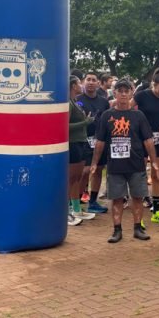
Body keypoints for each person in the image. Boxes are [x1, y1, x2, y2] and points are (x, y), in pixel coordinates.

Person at [90, 79, 156, 242]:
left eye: (127, 91)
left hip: (136, 163)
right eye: (120, 90)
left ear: (131, 92)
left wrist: (153, 161)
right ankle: (117, 230)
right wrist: (94, 162)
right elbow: (100, 141)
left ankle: (138, 228)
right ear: (115, 93)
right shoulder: (107, 115)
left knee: (138, 197)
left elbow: (148, 139)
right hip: (115, 165)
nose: (124, 94)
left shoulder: (138, 115)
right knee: (117, 198)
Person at [134, 71, 159, 224]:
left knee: (158, 173)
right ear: (154, 85)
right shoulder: (142, 96)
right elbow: (129, 111)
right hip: (141, 138)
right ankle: (139, 212)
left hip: (158, 139)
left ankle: (156, 210)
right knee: (140, 173)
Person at [77, 73, 111, 214]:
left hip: (100, 140)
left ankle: (93, 202)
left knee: (98, 170)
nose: (91, 82)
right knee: (83, 172)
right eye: (88, 80)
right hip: (83, 139)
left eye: (93, 80)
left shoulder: (104, 101)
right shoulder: (78, 100)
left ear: (98, 83)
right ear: (84, 82)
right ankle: (76, 201)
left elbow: (108, 120)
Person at [68, 76, 96, 225]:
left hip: (81, 142)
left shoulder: (74, 101)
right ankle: (66, 212)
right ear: (73, 86)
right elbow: (64, 126)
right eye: (79, 83)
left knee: (77, 178)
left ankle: (76, 209)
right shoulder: (69, 103)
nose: (81, 85)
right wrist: (85, 122)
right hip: (73, 143)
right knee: (70, 178)